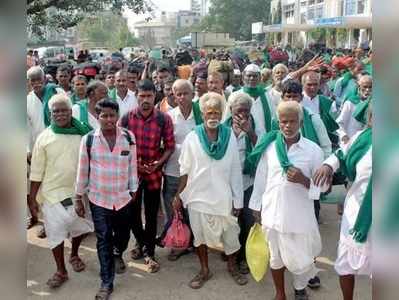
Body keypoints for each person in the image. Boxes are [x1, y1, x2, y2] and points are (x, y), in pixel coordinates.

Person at [249, 101, 324, 300]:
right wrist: (256, 206)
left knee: (301, 257)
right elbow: (261, 178)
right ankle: (280, 292)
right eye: (284, 122)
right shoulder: (270, 147)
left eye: (292, 121)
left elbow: (323, 187)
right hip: (272, 214)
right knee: (275, 257)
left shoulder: (313, 150)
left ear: (300, 122)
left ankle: (299, 287)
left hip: (299, 215)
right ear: (278, 123)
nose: (288, 126)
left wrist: (303, 180)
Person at [173, 92, 247, 289]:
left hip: (223, 196)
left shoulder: (229, 135)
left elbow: (234, 170)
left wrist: (238, 200)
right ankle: (204, 270)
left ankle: (233, 267)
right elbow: (184, 169)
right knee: (200, 237)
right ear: (203, 114)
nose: (213, 117)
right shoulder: (192, 137)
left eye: (216, 113)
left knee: (231, 234)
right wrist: (178, 195)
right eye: (209, 113)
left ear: (221, 114)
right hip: (197, 196)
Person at [75, 99, 138, 300]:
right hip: (98, 199)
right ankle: (106, 282)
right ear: (98, 117)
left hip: (123, 198)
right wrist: (78, 196)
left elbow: (132, 166)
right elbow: (82, 169)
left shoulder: (128, 137)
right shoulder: (88, 140)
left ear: (117, 116)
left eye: (112, 115)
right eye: (104, 116)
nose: (109, 119)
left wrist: (133, 190)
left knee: (123, 235)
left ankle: (118, 252)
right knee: (103, 239)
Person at [28, 94, 93, 289]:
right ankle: (60, 270)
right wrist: (32, 199)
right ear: (50, 114)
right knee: (55, 233)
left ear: (70, 111)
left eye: (64, 109)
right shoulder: (44, 138)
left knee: (80, 226)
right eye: (56, 111)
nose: (60, 114)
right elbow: (37, 171)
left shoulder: (83, 133)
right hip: (52, 194)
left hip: (79, 192)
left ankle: (74, 254)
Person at [313, 104, 372, 300]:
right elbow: (339, 154)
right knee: (346, 262)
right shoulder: (360, 138)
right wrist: (327, 166)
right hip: (357, 211)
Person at [120, 79, 175, 273]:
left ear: (155, 97)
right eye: (142, 96)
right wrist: (135, 164)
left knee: (151, 214)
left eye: (149, 96)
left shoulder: (163, 119)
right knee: (133, 213)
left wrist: (157, 165)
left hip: (153, 174)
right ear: (137, 97)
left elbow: (170, 147)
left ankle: (149, 252)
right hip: (132, 174)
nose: (145, 100)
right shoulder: (126, 118)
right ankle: (141, 243)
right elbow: (120, 147)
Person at [277, 80, 332, 226]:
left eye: (295, 96)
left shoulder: (313, 118)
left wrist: (324, 168)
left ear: (301, 98)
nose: (291, 100)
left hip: (310, 176)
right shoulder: (277, 119)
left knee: (309, 216)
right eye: (288, 96)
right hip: (283, 182)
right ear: (282, 98)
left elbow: (326, 146)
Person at [161, 79, 202, 261]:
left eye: (186, 93)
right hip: (173, 170)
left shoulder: (201, 115)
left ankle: (193, 241)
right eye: (179, 94)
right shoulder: (169, 116)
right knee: (173, 207)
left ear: (193, 95)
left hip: (196, 172)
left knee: (192, 207)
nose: (183, 97)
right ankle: (178, 243)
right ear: (174, 96)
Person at [27, 66, 63, 233]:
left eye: (38, 80)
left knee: (53, 186)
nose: (36, 83)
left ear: (45, 79)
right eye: (32, 81)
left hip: (58, 147)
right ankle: (36, 218)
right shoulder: (27, 101)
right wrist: (27, 150)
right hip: (36, 151)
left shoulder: (57, 93)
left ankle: (52, 223)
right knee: (36, 187)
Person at [224, 92, 257, 274]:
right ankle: (231, 255)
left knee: (248, 221)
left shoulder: (255, 125)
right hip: (227, 184)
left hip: (248, 182)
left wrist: (249, 132)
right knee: (230, 221)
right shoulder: (223, 128)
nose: (242, 115)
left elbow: (261, 148)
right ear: (230, 111)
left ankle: (243, 257)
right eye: (238, 111)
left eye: (246, 111)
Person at [233, 64, 273, 138]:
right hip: (242, 139)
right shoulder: (235, 95)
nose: (252, 78)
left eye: (255, 76)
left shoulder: (267, 95)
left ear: (260, 78)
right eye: (249, 75)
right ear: (243, 77)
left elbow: (273, 117)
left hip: (264, 139)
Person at [302, 71, 339, 143]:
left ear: (319, 85)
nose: (312, 88)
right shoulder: (297, 101)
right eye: (309, 85)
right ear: (303, 84)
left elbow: (336, 123)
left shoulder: (327, 102)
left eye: (315, 84)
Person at [336, 75, 372, 144]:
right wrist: (344, 135)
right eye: (365, 87)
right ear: (359, 87)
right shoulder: (350, 102)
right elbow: (339, 122)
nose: (367, 90)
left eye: (370, 87)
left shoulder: (372, 104)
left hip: (365, 142)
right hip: (349, 140)